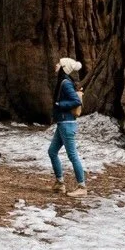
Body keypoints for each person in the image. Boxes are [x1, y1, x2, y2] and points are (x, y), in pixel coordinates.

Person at [48, 56, 87, 196]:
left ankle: (82, 187)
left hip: (67, 124)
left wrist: (60, 105)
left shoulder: (65, 83)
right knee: (52, 152)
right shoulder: (63, 83)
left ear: (64, 68)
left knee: (72, 155)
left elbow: (76, 101)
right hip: (62, 123)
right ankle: (60, 183)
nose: (57, 64)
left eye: (59, 63)